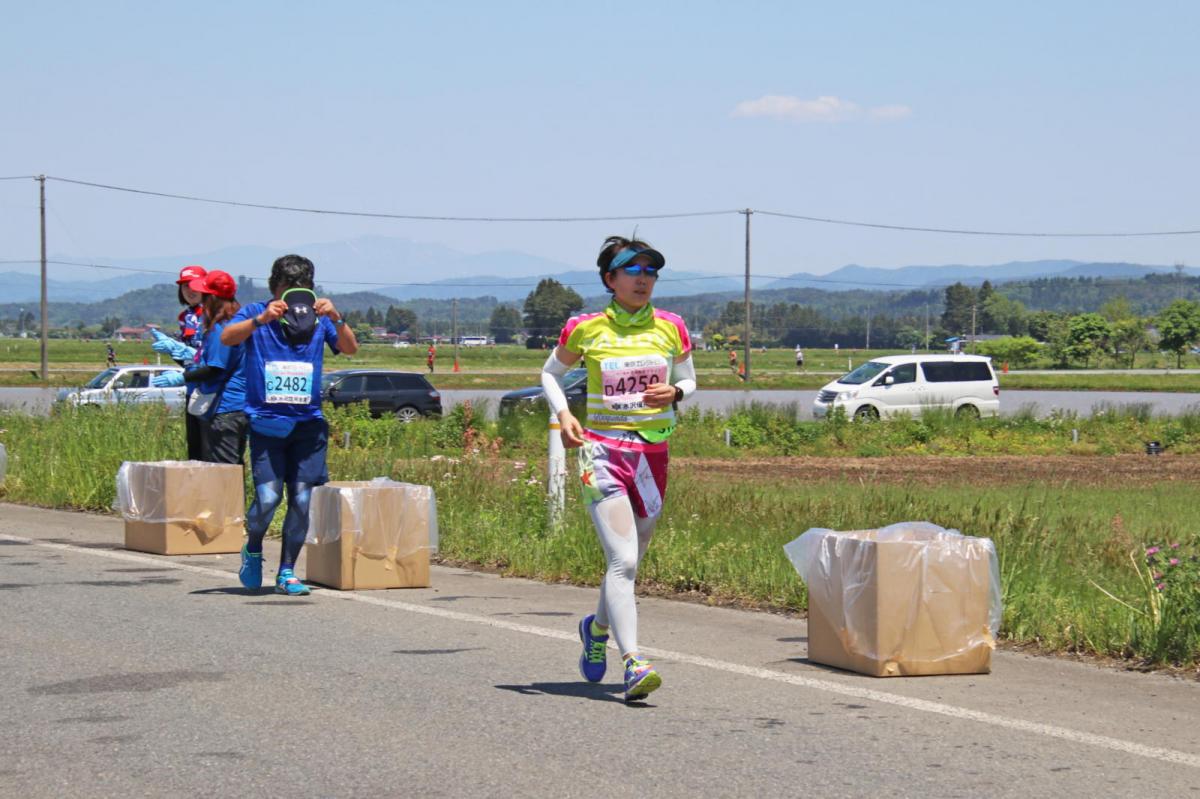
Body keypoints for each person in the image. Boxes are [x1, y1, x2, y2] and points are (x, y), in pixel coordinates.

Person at [541, 236, 696, 703]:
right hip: (602, 453)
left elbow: (688, 377)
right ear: (610, 280)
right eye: (633, 270)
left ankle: (597, 627)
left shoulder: (672, 326)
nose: (643, 279)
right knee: (623, 561)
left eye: (651, 271)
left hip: (652, 457)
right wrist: (564, 415)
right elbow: (549, 373)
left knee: (633, 556)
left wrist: (678, 393)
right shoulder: (583, 327)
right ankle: (635, 663)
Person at [221, 254, 358, 596]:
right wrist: (262, 320)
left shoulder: (319, 318)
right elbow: (227, 338)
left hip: (308, 425)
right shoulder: (256, 312)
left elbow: (350, 348)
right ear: (275, 288)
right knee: (268, 499)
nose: (293, 298)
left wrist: (337, 317)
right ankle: (253, 548)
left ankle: (286, 571)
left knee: (300, 499)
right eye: (287, 290)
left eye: (302, 290)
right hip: (267, 425)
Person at [179, 270, 248, 465]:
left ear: (213, 298)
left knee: (223, 471)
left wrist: (184, 377)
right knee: (231, 467)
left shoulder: (221, 328)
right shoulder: (238, 323)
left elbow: (216, 368)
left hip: (224, 408)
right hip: (239, 406)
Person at [151, 265, 208, 460]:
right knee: (195, 448)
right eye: (185, 286)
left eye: (194, 285)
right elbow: (186, 356)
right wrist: (174, 350)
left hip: (213, 387)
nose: (190, 290)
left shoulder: (215, 313)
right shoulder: (185, 317)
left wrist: (191, 354)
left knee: (213, 450)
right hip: (192, 385)